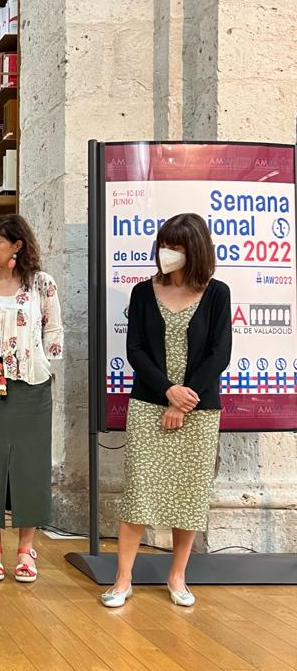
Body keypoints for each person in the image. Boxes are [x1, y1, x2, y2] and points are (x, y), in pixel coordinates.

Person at [100, 213, 231, 608]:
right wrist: (168, 391)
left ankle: (178, 577)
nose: (167, 252)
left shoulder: (217, 293)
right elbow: (135, 350)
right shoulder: (143, 292)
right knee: (138, 493)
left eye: (176, 246)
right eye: (164, 245)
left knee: (188, 495)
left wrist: (184, 399)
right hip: (149, 404)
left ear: (196, 250)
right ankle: (123, 579)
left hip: (198, 409)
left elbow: (220, 353)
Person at [0, 213, 63, 583]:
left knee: (30, 467)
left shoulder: (42, 284)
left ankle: (26, 549)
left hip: (31, 386)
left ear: (17, 245)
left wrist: (39, 364)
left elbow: (54, 331)